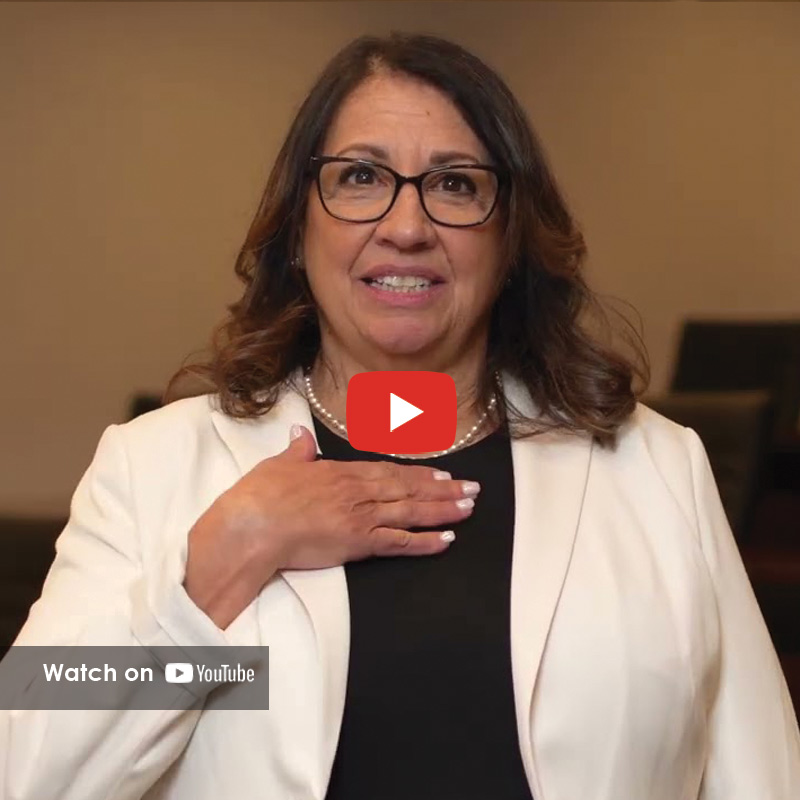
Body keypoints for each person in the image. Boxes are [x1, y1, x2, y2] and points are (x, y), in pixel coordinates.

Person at [2, 31, 798, 800]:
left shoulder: (659, 469)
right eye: (359, 178)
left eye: (456, 184)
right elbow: (25, 773)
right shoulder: (154, 468)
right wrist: (219, 565)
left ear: (511, 236)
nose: (407, 226)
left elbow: (763, 779)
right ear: (297, 224)